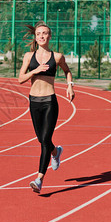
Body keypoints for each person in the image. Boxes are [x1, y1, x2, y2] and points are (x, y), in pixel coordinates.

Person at [18, 21, 75, 194]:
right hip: (34, 101)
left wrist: (70, 85)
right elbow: (20, 78)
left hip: (50, 101)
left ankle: (39, 179)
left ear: (50, 36)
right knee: (41, 139)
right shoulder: (29, 56)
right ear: (35, 37)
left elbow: (67, 71)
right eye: (39, 34)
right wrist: (34, 71)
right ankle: (55, 152)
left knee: (44, 139)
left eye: (45, 33)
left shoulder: (57, 57)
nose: (42, 36)